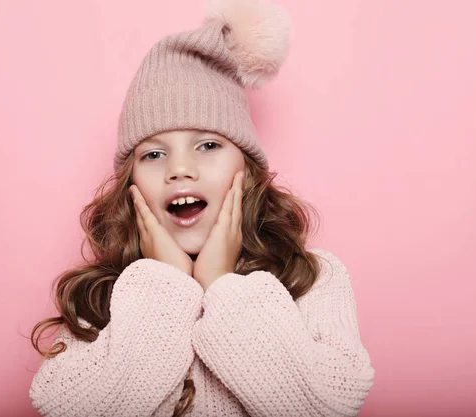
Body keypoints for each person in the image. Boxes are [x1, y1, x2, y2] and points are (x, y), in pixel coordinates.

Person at [28, 0, 374, 415]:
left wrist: (221, 284)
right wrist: (167, 285)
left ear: (245, 167)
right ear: (130, 183)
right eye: (153, 155)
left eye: (208, 145)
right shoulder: (100, 295)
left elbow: (325, 407)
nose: (179, 169)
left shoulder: (313, 277)